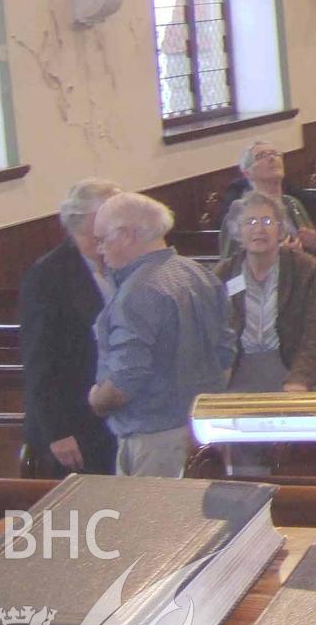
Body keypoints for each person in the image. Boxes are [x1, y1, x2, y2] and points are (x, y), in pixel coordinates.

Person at [88, 192, 234, 477]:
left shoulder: (136, 293)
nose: (99, 250)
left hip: (154, 439)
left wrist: (96, 399)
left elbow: (124, 381)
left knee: (149, 521)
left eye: (102, 239)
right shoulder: (197, 273)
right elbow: (226, 353)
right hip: (204, 427)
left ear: (126, 235)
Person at [212, 190, 316, 475]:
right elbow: (215, 336)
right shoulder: (223, 274)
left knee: (301, 467)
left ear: (281, 230)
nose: (259, 229)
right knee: (249, 471)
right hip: (243, 376)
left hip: (292, 369)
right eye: (250, 222)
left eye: (267, 221)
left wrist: (300, 380)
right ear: (238, 232)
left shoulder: (305, 270)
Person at [19, 178, 123, 476]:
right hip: (74, 425)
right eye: (110, 212)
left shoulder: (119, 261)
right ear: (82, 220)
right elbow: (39, 361)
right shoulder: (48, 277)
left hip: (113, 414)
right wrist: (57, 431)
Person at [218, 140, 316, 259]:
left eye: (275, 154)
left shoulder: (292, 204)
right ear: (246, 173)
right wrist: (276, 256)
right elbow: (230, 273)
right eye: (262, 156)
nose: (272, 158)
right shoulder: (240, 214)